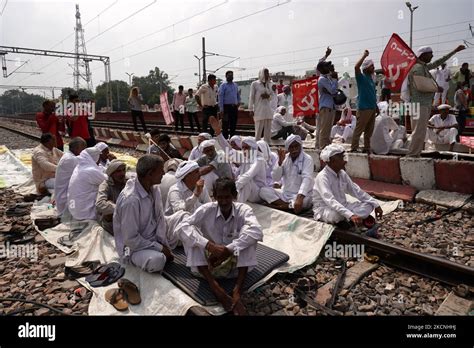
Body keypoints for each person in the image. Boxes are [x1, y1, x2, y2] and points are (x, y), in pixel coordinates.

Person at [177, 177, 263, 315]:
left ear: (234, 196)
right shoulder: (206, 209)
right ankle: (216, 288)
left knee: (249, 236)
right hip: (208, 266)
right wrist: (208, 245)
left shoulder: (243, 209)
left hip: (234, 265)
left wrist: (229, 250)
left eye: (227, 197)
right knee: (192, 236)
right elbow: (182, 227)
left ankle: (237, 290)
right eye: (220, 197)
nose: (223, 201)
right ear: (215, 196)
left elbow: (257, 231)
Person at [114, 155, 187, 273]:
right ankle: (135, 260)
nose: (163, 173)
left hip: (155, 235)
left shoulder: (155, 188)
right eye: (160, 171)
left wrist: (163, 242)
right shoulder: (131, 200)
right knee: (157, 260)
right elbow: (130, 240)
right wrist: (161, 248)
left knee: (184, 217)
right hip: (134, 248)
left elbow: (160, 218)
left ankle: (197, 263)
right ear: (150, 174)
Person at [406, 44, 465, 157]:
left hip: (420, 105)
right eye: (430, 54)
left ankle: (414, 154)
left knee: (419, 131)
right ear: (423, 55)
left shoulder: (422, 67)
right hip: (419, 105)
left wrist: (454, 51)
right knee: (419, 132)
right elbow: (420, 85)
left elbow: (439, 61)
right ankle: (412, 155)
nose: (432, 56)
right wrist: (436, 88)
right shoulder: (418, 68)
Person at [313, 144, 383, 225]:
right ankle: (350, 219)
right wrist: (350, 215)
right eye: (341, 158)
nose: (345, 161)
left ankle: (349, 220)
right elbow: (330, 201)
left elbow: (356, 191)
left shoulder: (342, 173)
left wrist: (375, 204)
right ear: (331, 161)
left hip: (344, 206)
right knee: (337, 215)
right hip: (326, 209)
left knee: (369, 206)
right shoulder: (322, 177)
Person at [259, 134, 314, 214]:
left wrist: (299, 198)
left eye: (296, 146)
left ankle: (280, 206)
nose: (294, 149)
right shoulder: (284, 158)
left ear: (300, 146)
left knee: (306, 202)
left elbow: (307, 179)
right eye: (291, 147)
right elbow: (276, 178)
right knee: (263, 191)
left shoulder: (307, 159)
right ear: (288, 148)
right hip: (285, 194)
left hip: (300, 195)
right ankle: (286, 206)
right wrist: (280, 163)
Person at [67, 146, 107, 221]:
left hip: (74, 210)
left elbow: (101, 170)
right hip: (85, 214)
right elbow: (107, 180)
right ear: (96, 158)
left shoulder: (80, 166)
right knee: (109, 191)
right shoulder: (90, 171)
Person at [352, 50, 377, 153]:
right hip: (364, 108)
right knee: (359, 130)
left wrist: (376, 107)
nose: (374, 68)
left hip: (372, 108)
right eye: (372, 66)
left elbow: (372, 94)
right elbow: (356, 67)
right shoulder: (361, 77)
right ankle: (354, 148)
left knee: (369, 131)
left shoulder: (371, 79)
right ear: (366, 68)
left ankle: (366, 148)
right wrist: (364, 55)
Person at [54, 137, 87, 217]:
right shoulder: (71, 159)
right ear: (76, 148)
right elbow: (86, 171)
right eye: (83, 149)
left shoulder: (69, 156)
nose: (84, 152)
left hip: (64, 196)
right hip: (67, 200)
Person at [95, 160, 127, 235]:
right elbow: (99, 204)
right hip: (111, 221)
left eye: (123, 170)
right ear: (112, 173)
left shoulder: (127, 182)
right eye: (118, 171)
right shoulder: (105, 185)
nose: (122, 173)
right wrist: (120, 208)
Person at [235, 137, 267, 203]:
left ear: (253, 148)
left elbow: (249, 175)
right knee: (240, 178)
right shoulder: (246, 159)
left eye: (246, 148)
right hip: (248, 191)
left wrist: (235, 186)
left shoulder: (259, 160)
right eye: (242, 148)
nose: (244, 150)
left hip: (257, 193)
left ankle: (238, 207)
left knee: (246, 181)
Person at [249, 68, 274, 143]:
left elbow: (272, 95)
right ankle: (257, 145)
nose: (267, 75)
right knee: (258, 130)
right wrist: (250, 109)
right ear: (262, 74)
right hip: (259, 110)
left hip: (268, 110)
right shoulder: (255, 84)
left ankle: (267, 145)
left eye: (268, 73)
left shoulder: (269, 84)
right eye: (266, 73)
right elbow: (251, 96)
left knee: (268, 131)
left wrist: (268, 96)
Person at [317, 60, 338, 149]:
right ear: (321, 69)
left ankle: (327, 149)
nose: (328, 68)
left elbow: (333, 91)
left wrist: (332, 87)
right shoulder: (322, 79)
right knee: (324, 132)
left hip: (330, 107)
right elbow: (333, 91)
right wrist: (334, 79)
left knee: (327, 131)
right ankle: (323, 149)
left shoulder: (327, 78)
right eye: (326, 66)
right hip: (326, 107)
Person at [218, 70, 241, 139]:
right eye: (229, 75)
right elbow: (220, 97)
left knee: (233, 123)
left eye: (232, 75)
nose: (231, 76)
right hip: (226, 108)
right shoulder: (223, 85)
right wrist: (221, 109)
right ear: (226, 76)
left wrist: (238, 101)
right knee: (225, 124)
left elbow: (237, 95)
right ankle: (225, 139)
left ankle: (232, 139)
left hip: (234, 107)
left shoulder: (235, 85)